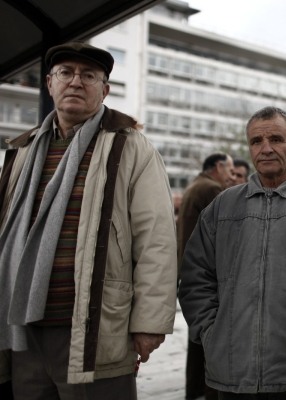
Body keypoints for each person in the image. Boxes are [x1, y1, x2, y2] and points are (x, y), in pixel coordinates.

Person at [0, 42, 177, 398]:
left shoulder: (130, 146)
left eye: (89, 76)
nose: (76, 82)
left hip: (95, 328)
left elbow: (156, 238)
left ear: (105, 89)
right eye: (66, 73)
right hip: (21, 329)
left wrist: (149, 322)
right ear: (50, 83)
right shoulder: (21, 150)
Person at [179, 107, 286, 399]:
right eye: (256, 141)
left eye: (276, 139)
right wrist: (212, 334)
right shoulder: (223, 206)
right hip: (231, 369)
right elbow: (196, 277)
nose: (266, 149)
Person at [177, 152, 234, 400]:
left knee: (197, 341)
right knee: (211, 342)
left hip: (189, 268)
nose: (231, 176)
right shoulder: (211, 189)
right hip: (207, 270)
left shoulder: (195, 185)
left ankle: (195, 392)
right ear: (218, 167)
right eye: (230, 170)